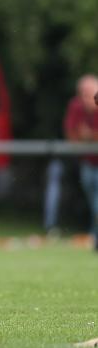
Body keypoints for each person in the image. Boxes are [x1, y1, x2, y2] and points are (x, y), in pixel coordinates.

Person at [64, 74, 98, 251]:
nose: (85, 98)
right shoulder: (76, 106)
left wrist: (88, 135)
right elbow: (72, 136)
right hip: (88, 163)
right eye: (83, 94)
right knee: (94, 204)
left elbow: (85, 135)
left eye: (89, 94)